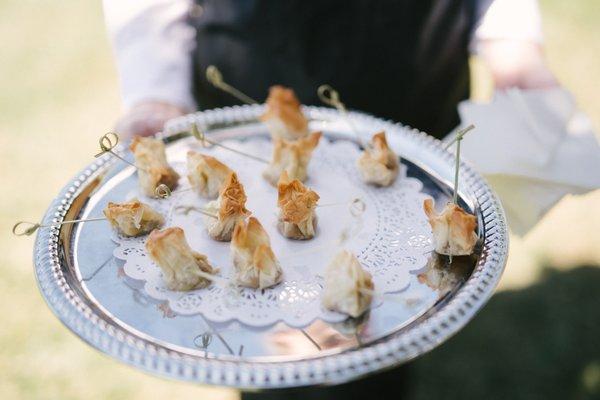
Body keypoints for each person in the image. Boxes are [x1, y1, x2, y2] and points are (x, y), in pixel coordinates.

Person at [103, 0, 557, 140]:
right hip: (249, 81)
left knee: (392, 313)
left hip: (414, 90)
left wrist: (509, 36)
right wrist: (156, 88)